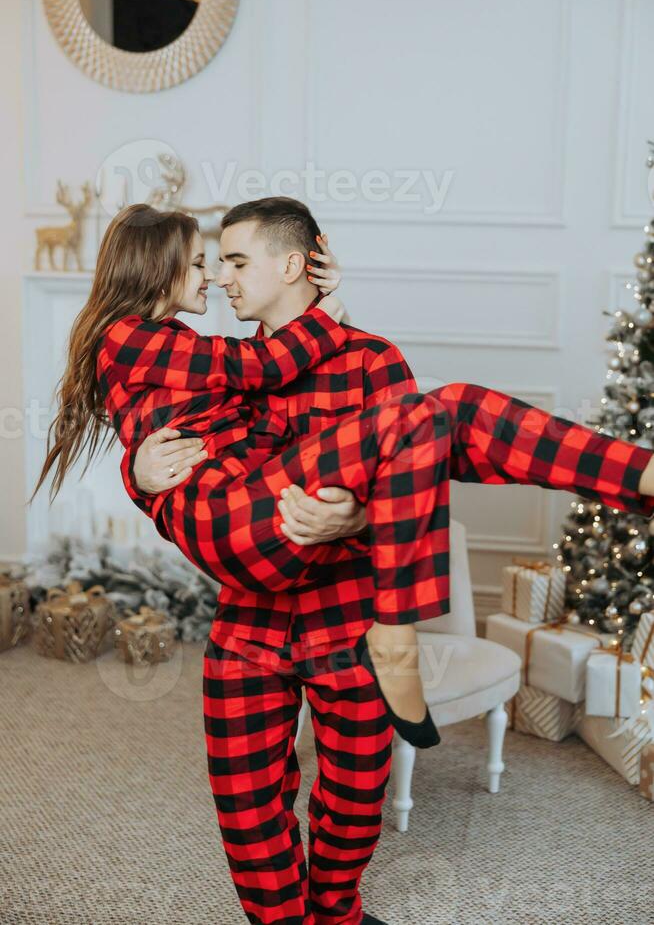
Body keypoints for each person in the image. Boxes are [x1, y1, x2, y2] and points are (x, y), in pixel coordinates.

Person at [32, 196, 654, 925]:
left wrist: (355, 518)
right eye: (211, 261)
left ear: (292, 265)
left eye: (234, 260)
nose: (221, 278)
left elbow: (412, 474)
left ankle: (337, 913)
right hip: (251, 615)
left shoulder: (371, 361)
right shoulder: (219, 365)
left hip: (342, 616)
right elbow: (188, 471)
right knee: (247, 805)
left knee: (356, 793)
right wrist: (138, 478)